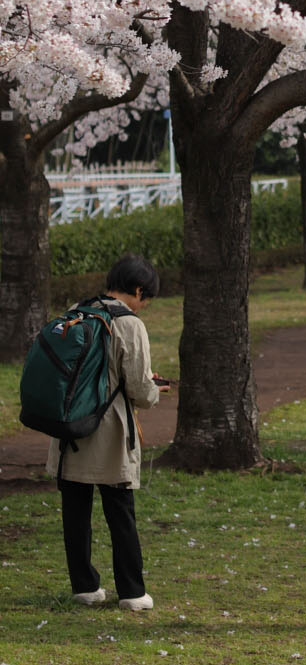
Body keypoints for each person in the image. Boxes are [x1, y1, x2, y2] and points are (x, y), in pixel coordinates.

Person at [46, 253, 169, 612]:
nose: (144, 307)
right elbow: (139, 391)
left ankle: (84, 587)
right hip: (110, 430)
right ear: (137, 290)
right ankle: (131, 592)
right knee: (120, 513)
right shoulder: (129, 325)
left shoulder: (75, 311)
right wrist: (153, 389)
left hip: (69, 428)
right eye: (146, 299)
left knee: (75, 511)